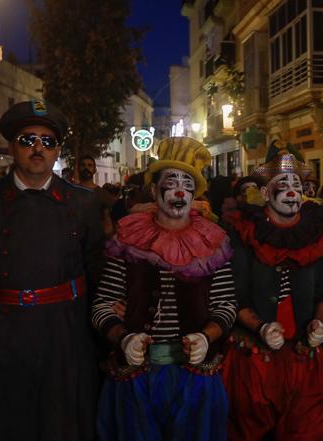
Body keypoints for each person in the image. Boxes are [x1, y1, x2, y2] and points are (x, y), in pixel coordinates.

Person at [0, 99, 105, 441]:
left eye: (48, 142)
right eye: (27, 139)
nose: (38, 148)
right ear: (12, 146)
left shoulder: (83, 202)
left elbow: (96, 269)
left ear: (56, 152)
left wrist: (102, 333)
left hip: (64, 334)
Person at [92, 137, 236, 441]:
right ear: (155, 191)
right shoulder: (128, 238)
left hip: (195, 377)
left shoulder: (214, 241)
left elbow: (226, 305)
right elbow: (103, 305)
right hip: (136, 377)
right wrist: (123, 337)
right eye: (171, 182)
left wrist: (205, 336)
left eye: (188, 183)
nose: (180, 190)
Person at [222, 149, 323, 441]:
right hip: (254, 358)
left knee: (306, 428)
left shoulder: (319, 232)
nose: (291, 193)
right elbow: (233, 295)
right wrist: (260, 326)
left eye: (297, 186)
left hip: (303, 355)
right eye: (282, 186)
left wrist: (319, 324)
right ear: (264, 192)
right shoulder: (244, 232)